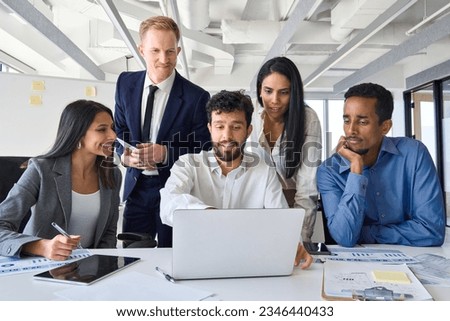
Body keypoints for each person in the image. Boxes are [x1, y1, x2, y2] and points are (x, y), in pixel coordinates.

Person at [160, 90, 313, 269]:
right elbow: (168, 203)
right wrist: (207, 214)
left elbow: (280, 218)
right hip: (198, 262)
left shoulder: (264, 172)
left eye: (236, 127)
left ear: (248, 130)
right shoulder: (187, 164)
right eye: (219, 126)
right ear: (209, 128)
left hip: (249, 263)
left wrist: (294, 244)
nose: (227, 136)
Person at [114, 16, 211, 247]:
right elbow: (119, 130)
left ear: (178, 50)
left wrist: (165, 154)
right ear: (141, 50)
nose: (163, 59)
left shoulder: (197, 97)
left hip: (176, 190)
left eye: (170, 51)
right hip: (136, 189)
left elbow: (204, 150)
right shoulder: (125, 84)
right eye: (155, 50)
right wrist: (124, 155)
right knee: (133, 257)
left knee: (174, 256)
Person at [317, 82, 445, 247]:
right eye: (347, 120)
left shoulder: (414, 154)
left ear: (385, 127)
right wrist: (356, 171)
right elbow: (345, 237)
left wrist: (365, 233)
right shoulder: (329, 171)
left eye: (362, 122)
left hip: (413, 260)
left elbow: (432, 231)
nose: (351, 130)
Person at [0, 100, 121, 260]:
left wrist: (103, 265)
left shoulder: (111, 174)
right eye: (102, 129)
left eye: (112, 128)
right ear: (77, 134)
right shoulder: (41, 170)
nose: (113, 135)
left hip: (90, 267)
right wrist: (41, 246)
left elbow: (108, 234)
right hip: (42, 263)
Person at [250, 56, 322, 242]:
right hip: (253, 211)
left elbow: (307, 187)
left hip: (292, 210)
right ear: (259, 89)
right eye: (268, 91)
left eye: (284, 92)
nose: (275, 100)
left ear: (294, 93)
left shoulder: (308, 119)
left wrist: (301, 238)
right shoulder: (250, 116)